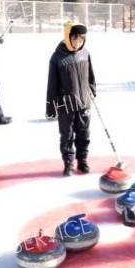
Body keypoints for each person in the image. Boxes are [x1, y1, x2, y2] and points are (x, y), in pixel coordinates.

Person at [46, 23, 96, 176]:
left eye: (81, 41)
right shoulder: (57, 57)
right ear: (68, 37)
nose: (78, 44)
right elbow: (52, 84)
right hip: (65, 104)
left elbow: (90, 76)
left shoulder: (85, 53)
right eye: (75, 40)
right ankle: (68, 163)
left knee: (84, 134)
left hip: (84, 101)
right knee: (66, 135)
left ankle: (82, 161)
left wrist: (92, 91)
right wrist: (50, 106)